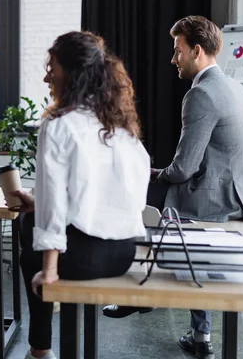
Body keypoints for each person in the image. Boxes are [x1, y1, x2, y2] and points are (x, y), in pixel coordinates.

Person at [102, 15, 243, 359]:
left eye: (178, 51)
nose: (173, 59)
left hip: (222, 202)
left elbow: (183, 169)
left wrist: (148, 173)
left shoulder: (201, 94)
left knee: (137, 194)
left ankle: (140, 295)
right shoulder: (233, 86)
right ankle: (200, 334)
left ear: (197, 51)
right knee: (163, 197)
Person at [16, 31, 150, 359]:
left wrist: (49, 271)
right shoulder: (119, 123)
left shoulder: (59, 124)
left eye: (53, 67)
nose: (47, 75)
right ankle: (41, 348)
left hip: (83, 257)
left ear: (72, 73)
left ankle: (40, 349)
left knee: (28, 242)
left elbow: (54, 204)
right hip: (125, 252)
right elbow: (122, 191)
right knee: (34, 215)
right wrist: (41, 205)